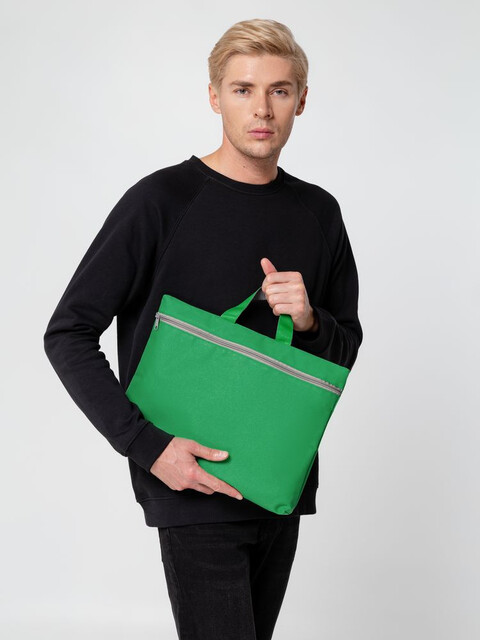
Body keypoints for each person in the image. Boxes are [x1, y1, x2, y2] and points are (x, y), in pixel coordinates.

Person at [43, 17, 363, 640]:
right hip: (190, 484)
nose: (262, 108)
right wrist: (148, 447)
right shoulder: (161, 201)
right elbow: (68, 332)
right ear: (214, 97)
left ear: (301, 100)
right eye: (243, 89)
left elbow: (344, 350)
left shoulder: (320, 213)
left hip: (278, 482)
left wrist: (309, 321)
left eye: (279, 90)